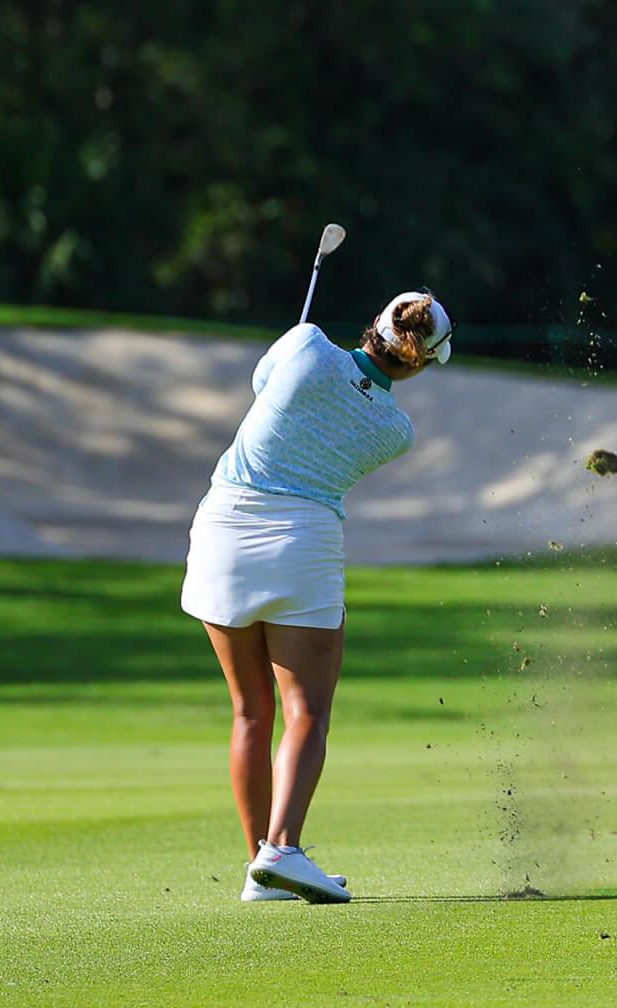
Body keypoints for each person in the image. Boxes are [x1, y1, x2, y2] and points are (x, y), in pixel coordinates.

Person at [181, 290, 454, 904]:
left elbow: (261, 383)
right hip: (301, 543)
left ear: (374, 326)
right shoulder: (396, 430)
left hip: (223, 528)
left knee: (251, 711)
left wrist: (295, 346)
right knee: (306, 712)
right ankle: (282, 851)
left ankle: (263, 866)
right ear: (420, 362)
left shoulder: (305, 344)